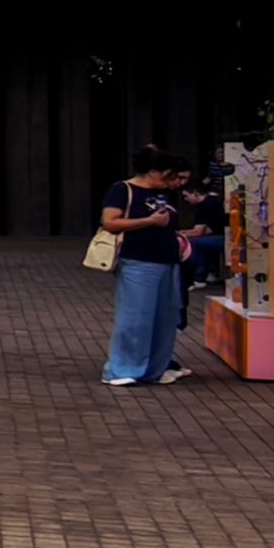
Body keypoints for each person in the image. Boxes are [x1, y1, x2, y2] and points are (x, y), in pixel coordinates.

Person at [100, 146, 195, 385]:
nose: (171, 181)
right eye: (167, 175)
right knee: (136, 316)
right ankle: (122, 369)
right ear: (152, 172)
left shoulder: (164, 193)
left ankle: (154, 369)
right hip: (138, 260)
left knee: (165, 317)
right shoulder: (122, 190)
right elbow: (110, 222)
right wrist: (148, 221)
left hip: (168, 259)